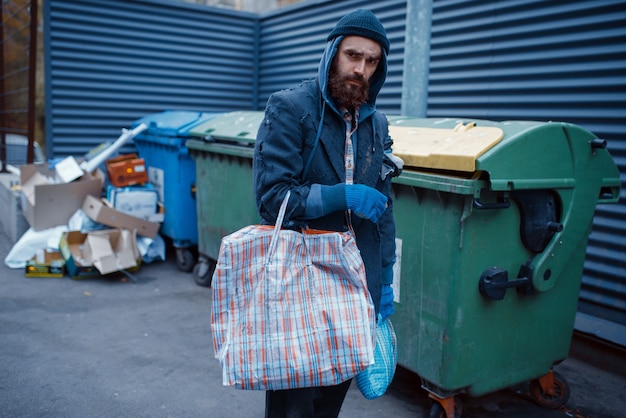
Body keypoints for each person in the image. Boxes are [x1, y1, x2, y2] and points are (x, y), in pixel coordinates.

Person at [253, 9, 402, 418]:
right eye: (352, 55)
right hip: (300, 285)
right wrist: (342, 196)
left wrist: (385, 282)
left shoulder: (377, 123)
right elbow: (272, 199)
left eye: (371, 61)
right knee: (293, 406)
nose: (360, 69)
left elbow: (384, 215)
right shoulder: (290, 108)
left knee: (328, 404)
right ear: (333, 53)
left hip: (354, 289)